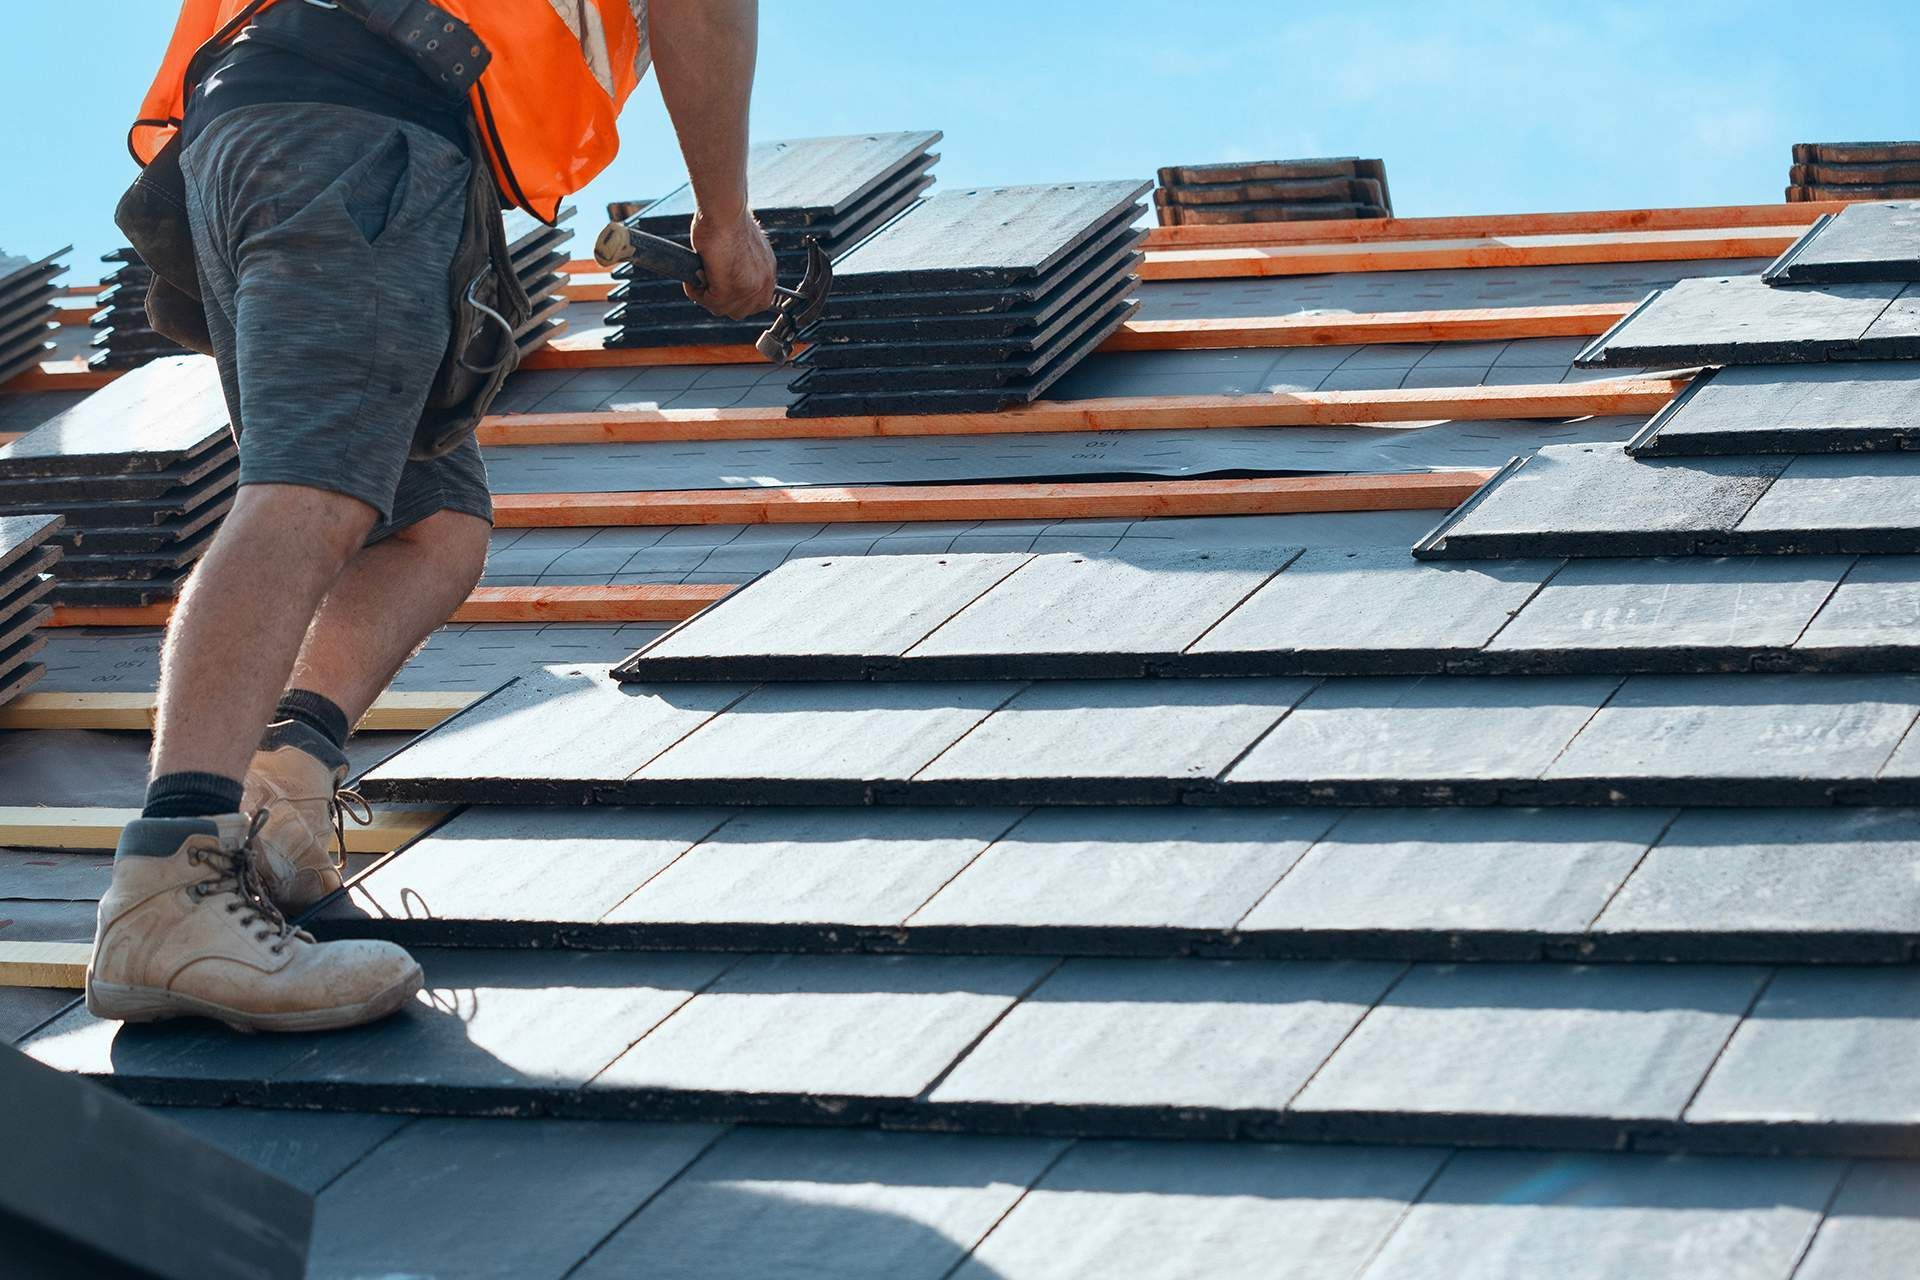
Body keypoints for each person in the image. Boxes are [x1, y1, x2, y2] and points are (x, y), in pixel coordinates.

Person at [87, 0, 776, 1032]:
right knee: (311, 491)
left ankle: (280, 782)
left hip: (277, 116)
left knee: (433, 523)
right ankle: (170, 883)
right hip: (363, 117)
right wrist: (725, 217)